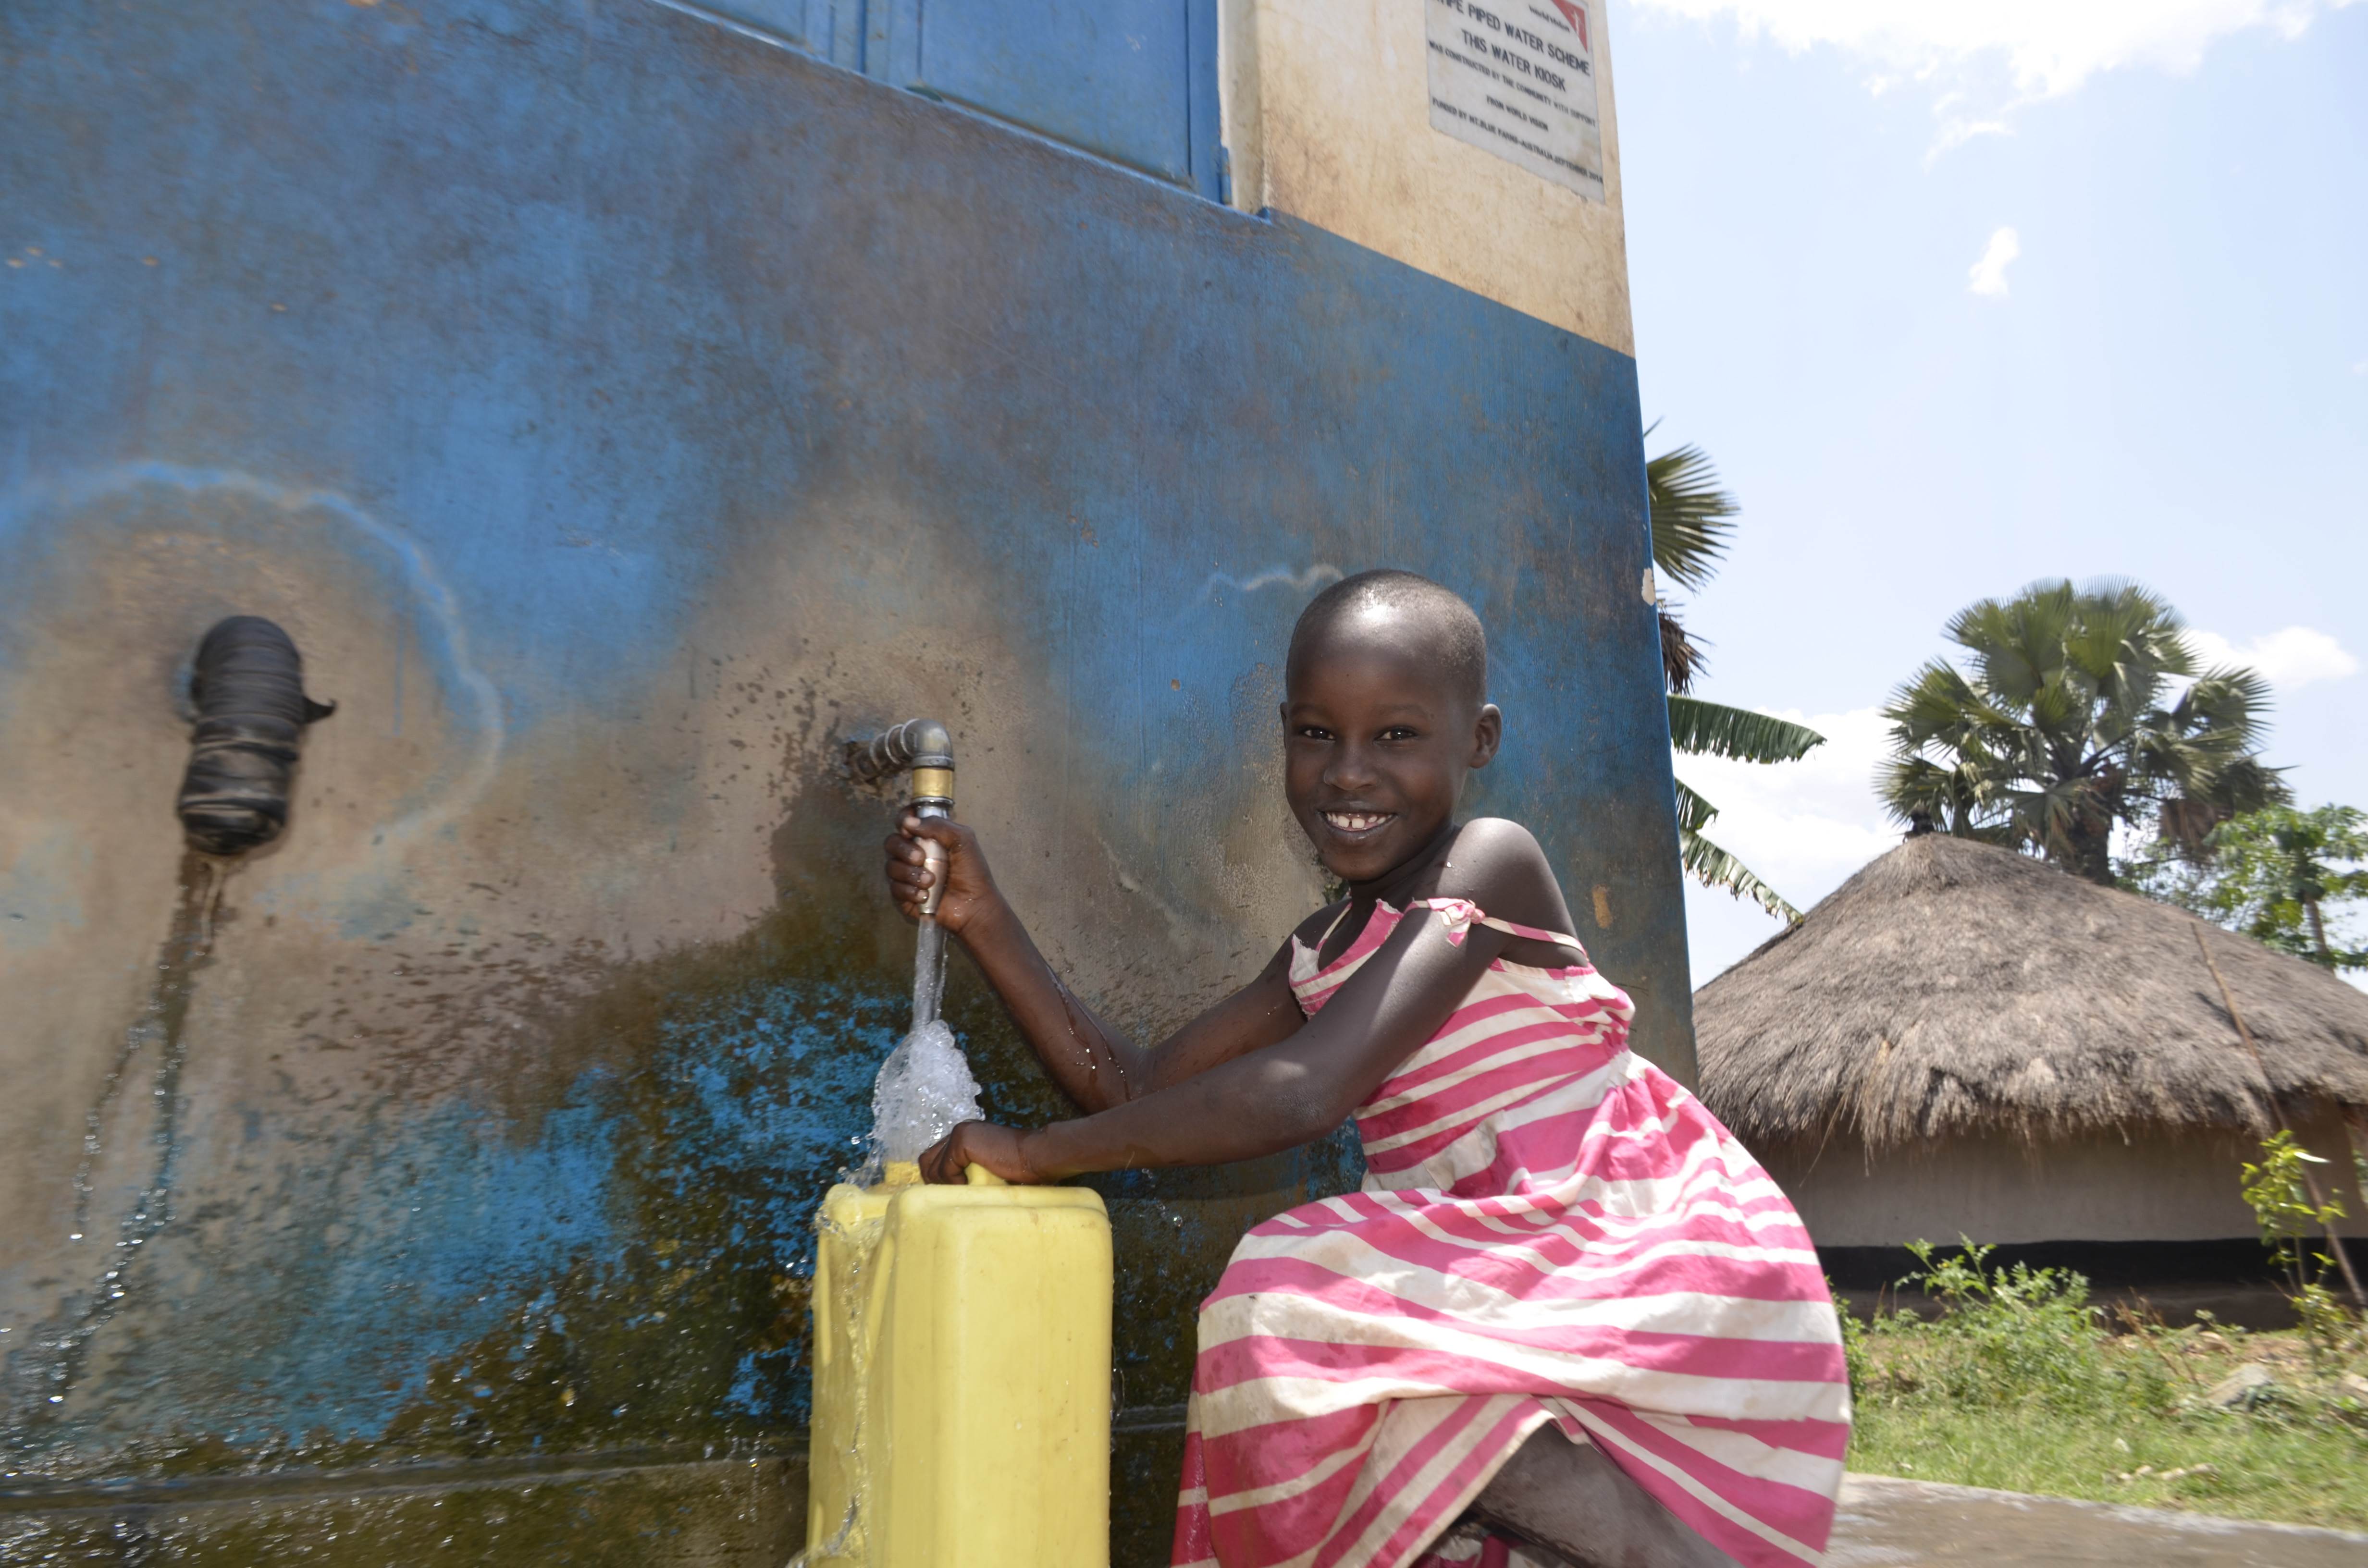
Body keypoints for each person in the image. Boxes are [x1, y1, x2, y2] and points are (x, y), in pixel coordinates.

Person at [880, 570, 1848, 1568]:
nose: (1348, 773)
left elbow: (1306, 1089)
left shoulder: (1491, 864)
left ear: (1478, 740)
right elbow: (1131, 1089)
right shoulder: (1317, 952)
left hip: (1612, 1235)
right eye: (1316, 734)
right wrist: (982, 917)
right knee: (1366, 1379)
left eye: (1395, 736)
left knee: (1290, 1292)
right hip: (1485, 1263)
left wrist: (1037, 1153)